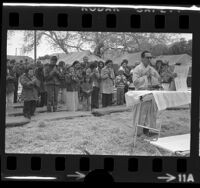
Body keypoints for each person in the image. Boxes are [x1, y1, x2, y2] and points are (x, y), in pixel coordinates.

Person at [131, 51, 161, 136]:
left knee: (151, 113)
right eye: (147, 57)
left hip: (151, 93)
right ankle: (139, 132)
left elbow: (159, 79)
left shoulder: (152, 69)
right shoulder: (137, 69)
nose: (149, 59)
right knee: (140, 113)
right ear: (142, 58)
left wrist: (153, 77)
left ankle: (149, 130)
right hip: (141, 94)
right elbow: (135, 83)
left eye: (150, 57)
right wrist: (145, 76)